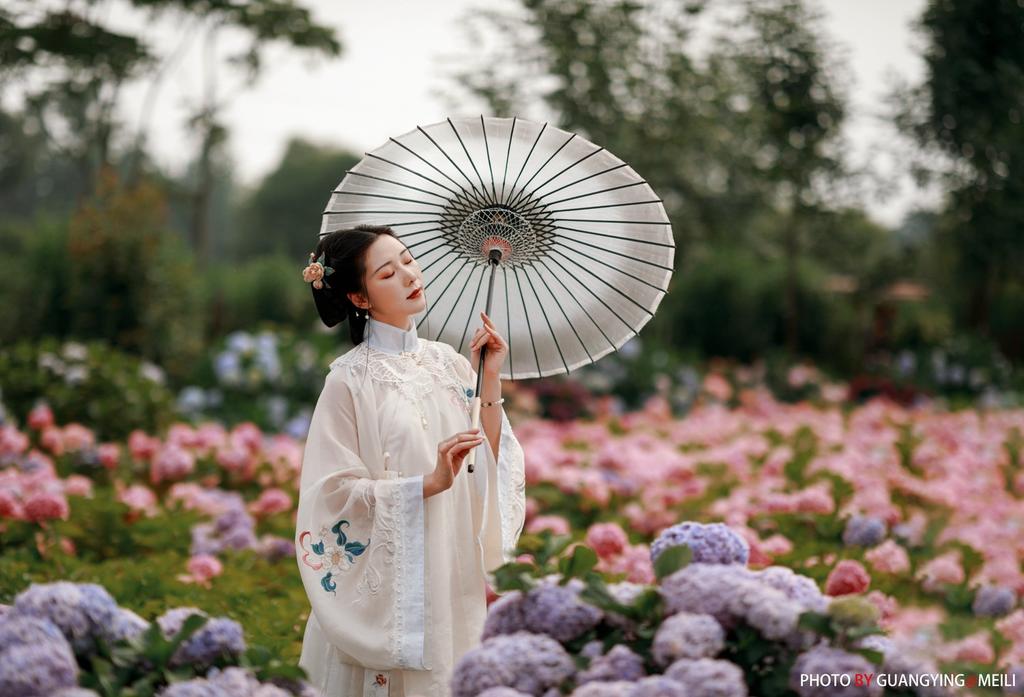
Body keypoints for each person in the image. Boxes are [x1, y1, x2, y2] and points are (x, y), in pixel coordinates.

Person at [293, 224, 527, 697]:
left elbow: (489, 459)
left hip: (452, 565)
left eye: (406, 259)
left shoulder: (452, 363)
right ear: (360, 298)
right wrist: (427, 482)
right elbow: (332, 495)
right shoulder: (348, 381)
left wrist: (491, 380)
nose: (407, 274)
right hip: (396, 585)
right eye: (387, 272)